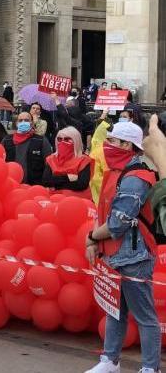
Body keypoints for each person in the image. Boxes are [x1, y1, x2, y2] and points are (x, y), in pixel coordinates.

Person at [84, 121, 161, 373]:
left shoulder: (137, 177)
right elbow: (104, 210)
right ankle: (110, 360)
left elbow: (119, 222)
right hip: (115, 254)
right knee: (114, 311)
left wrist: (92, 237)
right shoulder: (116, 172)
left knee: (144, 317)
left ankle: (150, 368)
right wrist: (96, 240)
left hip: (134, 256)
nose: (107, 146)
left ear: (128, 145)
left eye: (113, 141)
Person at [2, 112, 52, 185]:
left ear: (31, 123)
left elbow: (48, 164)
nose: (23, 122)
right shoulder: (7, 140)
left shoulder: (41, 141)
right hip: (11, 185)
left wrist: (46, 183)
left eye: (26, 120)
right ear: (16, 123)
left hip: (34, 186)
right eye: (20, 120)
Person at [42, 126, 93, 199]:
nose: (62, 142)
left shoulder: (84, 160)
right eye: (59, 139)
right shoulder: (51, 159)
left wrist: (56, 184)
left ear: (76, 140)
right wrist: (67, 177)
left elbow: (82, 184)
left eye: (67, 139)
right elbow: (46, 181)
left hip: (79, 201)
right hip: (55, 200)